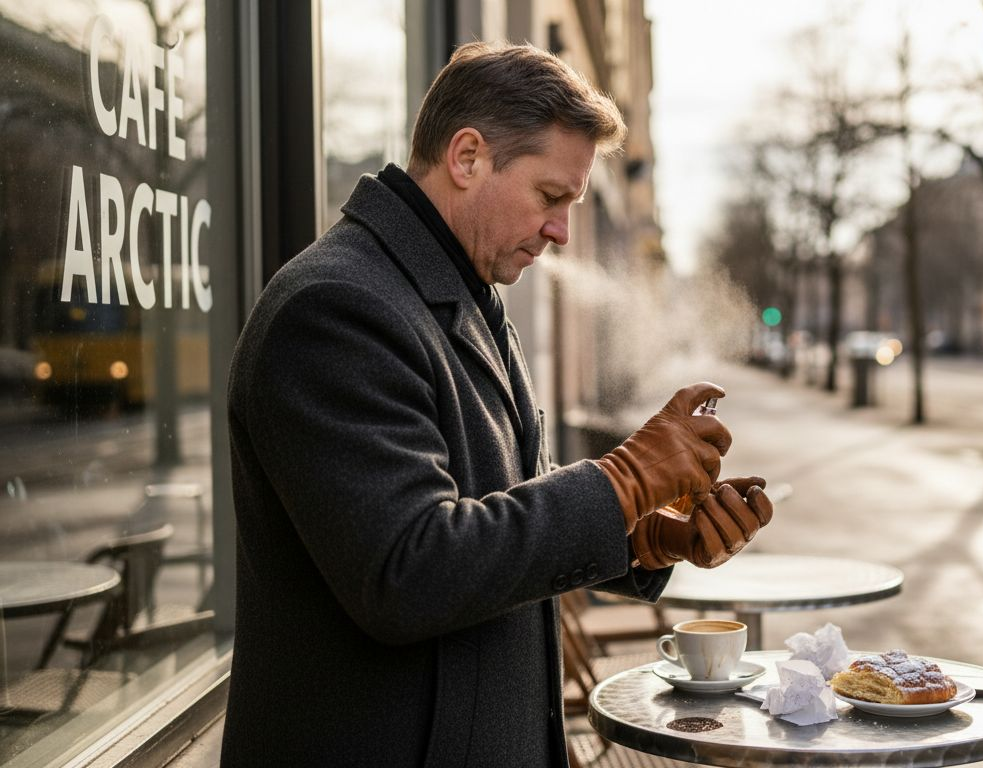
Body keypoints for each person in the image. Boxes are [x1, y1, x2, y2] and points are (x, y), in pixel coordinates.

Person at [221, 41, 774, 767]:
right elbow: (407, 571)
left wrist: (643, 534)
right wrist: (622, 482)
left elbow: (498, 511)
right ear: (468, 157)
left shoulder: (462, 293)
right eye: (550, 197)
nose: (561, 232)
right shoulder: (335, 309)